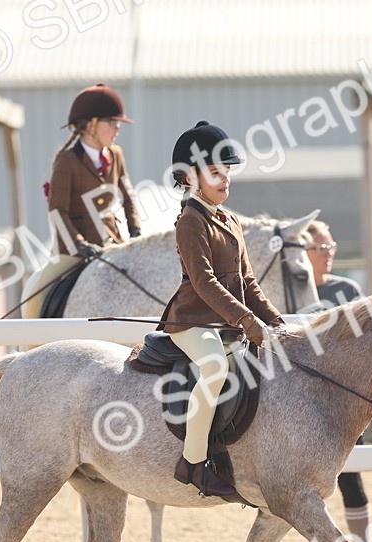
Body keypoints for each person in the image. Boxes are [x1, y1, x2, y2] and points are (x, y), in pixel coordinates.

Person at [159, 121, 286, 497]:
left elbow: (248, 282)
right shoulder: (190, 221)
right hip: (192, 321)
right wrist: (245, 320)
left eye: (227, 172)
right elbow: (204, 283)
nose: (225, 179)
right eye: (215, 172)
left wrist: (277, 323)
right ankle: (193, 462)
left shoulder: (229, 220)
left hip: (226, 321)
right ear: (189, 176)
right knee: (214, 367)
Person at [302, 220, 372, 542]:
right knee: (306, 483)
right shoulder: (292, 291)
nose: (328, 253)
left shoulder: (347, 288)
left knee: (352, 481)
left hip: (344, 401)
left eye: (330, 245)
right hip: (303, 401)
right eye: (320, 247)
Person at [46, 83, 142, 257]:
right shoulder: (66, 161)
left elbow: (128, 197)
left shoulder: (116, 154)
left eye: (118, 124)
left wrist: (135, 229)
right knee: (48, 285)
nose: (117, 130)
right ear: (90, 125)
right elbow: (57, 212)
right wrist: (78, 243)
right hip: (72, 253)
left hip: (111, 243)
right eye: (112, 123)